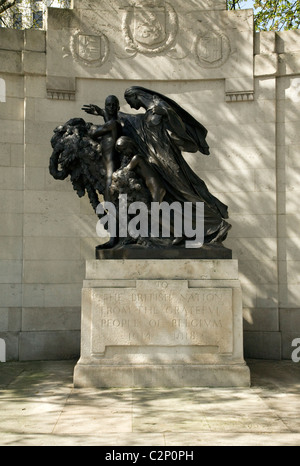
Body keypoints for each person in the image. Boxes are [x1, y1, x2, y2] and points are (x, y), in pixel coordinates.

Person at [120, 86, 231, 244]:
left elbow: (179, 127)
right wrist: (106, 113)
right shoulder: (146, 115)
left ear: (135, 95)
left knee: (185, 193)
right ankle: (182, 231)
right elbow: (134, 121)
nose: (130, 105)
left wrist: (167, 114)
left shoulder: (160, 107)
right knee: (174, 197)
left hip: (169, 159)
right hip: (157, 160)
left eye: (129, 101)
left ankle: (219, 225)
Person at [82, 95, 122, 201]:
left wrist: (87, 127)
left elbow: (93, 133)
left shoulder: (113, 124)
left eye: (114, 105)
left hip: (111, 161)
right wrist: (100, 112)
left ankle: (112, 207)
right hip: (104, 160)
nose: (111, 107)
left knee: (110, 181)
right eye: (108, 105)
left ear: (118, 108)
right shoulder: (112, 123)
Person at [115, 136, 166, 203]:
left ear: (130, 145)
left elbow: (125, 169)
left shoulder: (136, 158)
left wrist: (116, 173)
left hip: (156, 188)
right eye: (122, 151)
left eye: (124, 149)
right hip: (154, 188)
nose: (124, 153)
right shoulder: (138, 156)